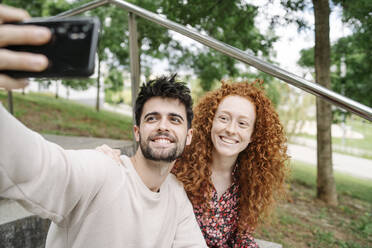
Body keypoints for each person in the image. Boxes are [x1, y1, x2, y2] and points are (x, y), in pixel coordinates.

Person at [0, 4, 207, 247]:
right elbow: (35, 165)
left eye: (175, 119)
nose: (163, 126)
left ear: (189, 135)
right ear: (137, 133)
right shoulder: (103, 170)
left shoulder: (175, 194)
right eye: (152, 118)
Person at [99, 80, 289, 247]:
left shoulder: (251, 178)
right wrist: (107, 156)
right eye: (223, 118)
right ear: (209, 122)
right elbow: (142, 175)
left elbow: (241, 235)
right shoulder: (179, 161)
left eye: (242, 124)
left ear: (253, 135)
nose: (231, 129)